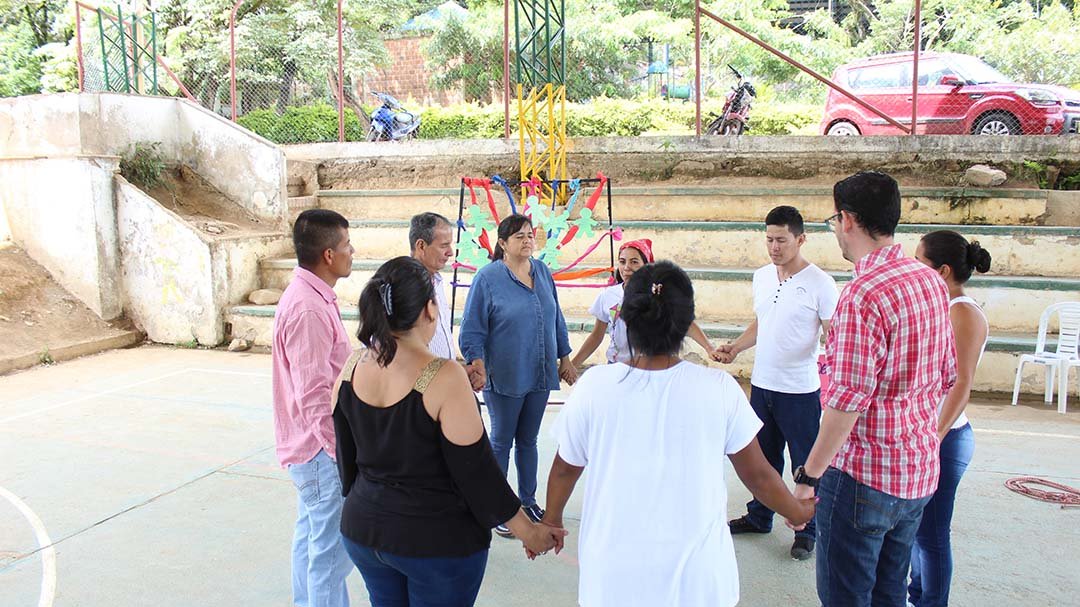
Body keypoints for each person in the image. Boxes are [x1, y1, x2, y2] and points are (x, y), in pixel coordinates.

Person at [541, 261, 816, 607]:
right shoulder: (719, 388)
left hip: (613, 578)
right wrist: (797, 511)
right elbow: (759, 476)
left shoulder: (594, 386)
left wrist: (551, 522)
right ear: (687, 323)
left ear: (625, 319)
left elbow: (565, 469)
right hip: (699, 581)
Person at [332, 256, 566, 607]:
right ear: (430, 309)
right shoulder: (443, 375)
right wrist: (528, 531)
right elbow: (479, 474)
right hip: (435, 542)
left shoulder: (351, 366)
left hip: (363, 530)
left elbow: (346, 463)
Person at [794, 172, 956, 607]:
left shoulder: (862, 294)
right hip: (917, 470)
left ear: (847, 220)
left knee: (846, 596)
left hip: (863, 479)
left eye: (835, 220)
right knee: (889, 593)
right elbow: (947, 373)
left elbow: (846, 402)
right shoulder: (930, 281)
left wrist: (808, 478)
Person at [718, 205, 839, 561]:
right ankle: (760, 516)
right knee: (763, 458)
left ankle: (807, 529)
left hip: (800, 390)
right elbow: (764, 320)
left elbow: (833, 337)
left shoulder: (821, 284)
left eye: (782, 240)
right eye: (769, 239)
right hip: (762, 386)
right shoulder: (761, 277)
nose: (774, 247)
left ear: (801, 240)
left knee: (805, 462)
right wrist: (737, 347)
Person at [458, 214, 578, 538]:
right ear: (502, 243)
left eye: (529, 235)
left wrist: (565, 358)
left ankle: (527, 501)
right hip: (505, 373)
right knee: (501, 441)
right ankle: (497, 507)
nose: (527, 241)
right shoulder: (487, 279)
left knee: (528, 440)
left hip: (539, 371)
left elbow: (556, 317)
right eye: (519, 237)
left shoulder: (542, 272)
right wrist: (477, 364)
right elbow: (472, 329)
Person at [271, 209, 355, 607]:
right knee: (329, 559)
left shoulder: (311, 297)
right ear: (328, 255)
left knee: (311, 544)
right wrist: (341, 454)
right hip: (321, 453)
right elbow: (314, 395)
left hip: (310, 450)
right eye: (347, 245)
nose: (352, 252)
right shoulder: (308, 308)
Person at [909, 231, 992, 607]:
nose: (913, 268)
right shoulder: (940, 306)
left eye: (919, 262)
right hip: (927, 433)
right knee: (914, 528)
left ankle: (931, 601)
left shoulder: (963, 311)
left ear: (942, 271)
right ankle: (916, 596)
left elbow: (962, 383)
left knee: (931, 533)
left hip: (945, 437)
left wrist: (934, 435)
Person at [570, 238, 718, 368]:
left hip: (650, 367)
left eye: (634, 262)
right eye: (622, 261)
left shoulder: (658, 294)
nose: (626, 267)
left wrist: (709, 348)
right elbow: (596, 336)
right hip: (617, 366)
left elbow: (686, 324)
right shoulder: (608, 295)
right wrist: (573, 365)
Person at [408, 211, 483, 391]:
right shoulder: (403, 286)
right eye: (444, 245)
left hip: (441, 384)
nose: (450, 252)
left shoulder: (437, 281)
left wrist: (457, 372)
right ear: (421, 246)